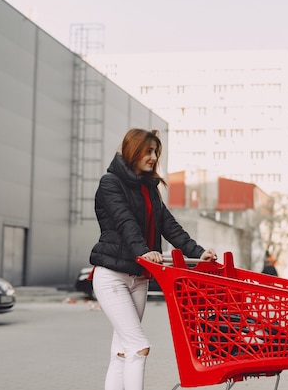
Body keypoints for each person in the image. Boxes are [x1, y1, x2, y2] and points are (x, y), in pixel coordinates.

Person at [89, 128, 217, 390]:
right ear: (132, 151)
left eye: (156, 152)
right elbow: (125, 222)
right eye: (148, 151)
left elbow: (169, 225)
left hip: (139, 278)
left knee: (122, 352)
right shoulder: (110, 183)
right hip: (112, 276)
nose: (153, 157)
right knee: (138, 347)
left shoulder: (149, 188)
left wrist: (198, 252)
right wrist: (143, 251)